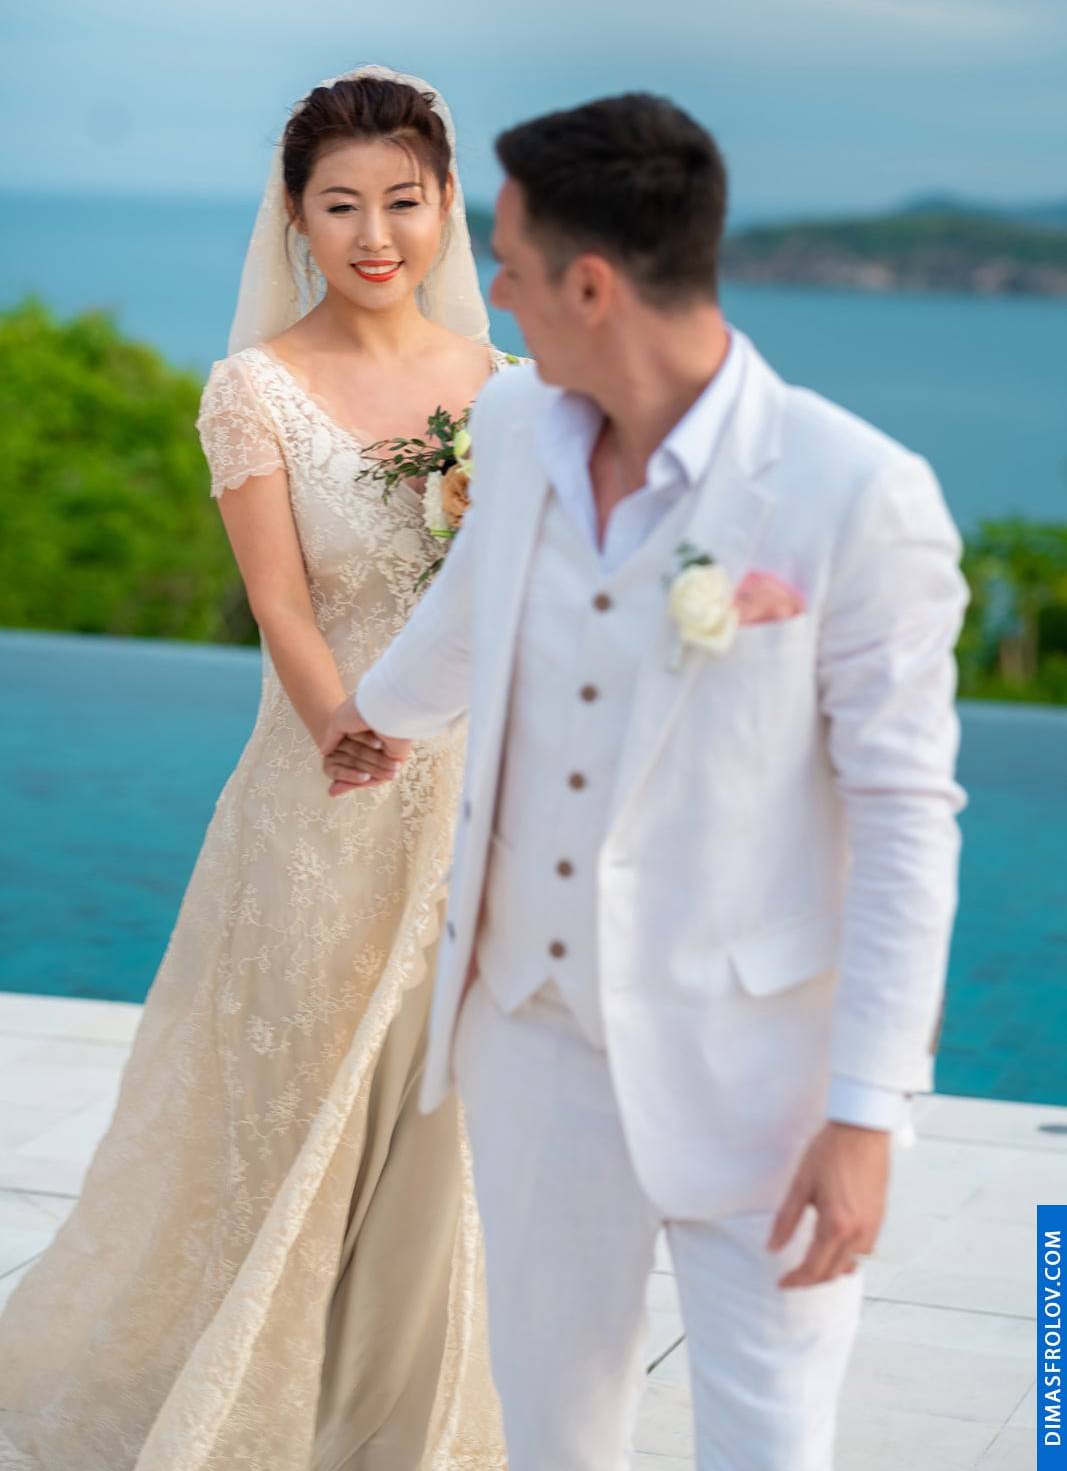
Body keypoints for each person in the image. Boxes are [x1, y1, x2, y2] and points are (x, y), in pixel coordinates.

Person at [321, 92, 969, 1470]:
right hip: (534, 1033)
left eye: (508, 262)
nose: (490, 290)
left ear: (593, 286)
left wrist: (867, 1115)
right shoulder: (514, 426)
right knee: (557, 1437)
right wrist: (372, 722)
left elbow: (909, 824)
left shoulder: (857, 492)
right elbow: (475, 606)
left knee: (768, 1443)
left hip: (762, 1076)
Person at [0, 67, 507, 1471]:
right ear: (295, 215)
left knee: (446, 1115)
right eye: (341, 205)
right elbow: (280, 602)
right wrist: (343, 723)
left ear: (444, 206)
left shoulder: (507, 391)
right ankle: (259, 1409)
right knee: (296, 1103)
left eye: (402, 201)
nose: (375, 235)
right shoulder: (254, 388)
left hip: (477, 796)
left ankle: (399, 1420)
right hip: (325, 795)